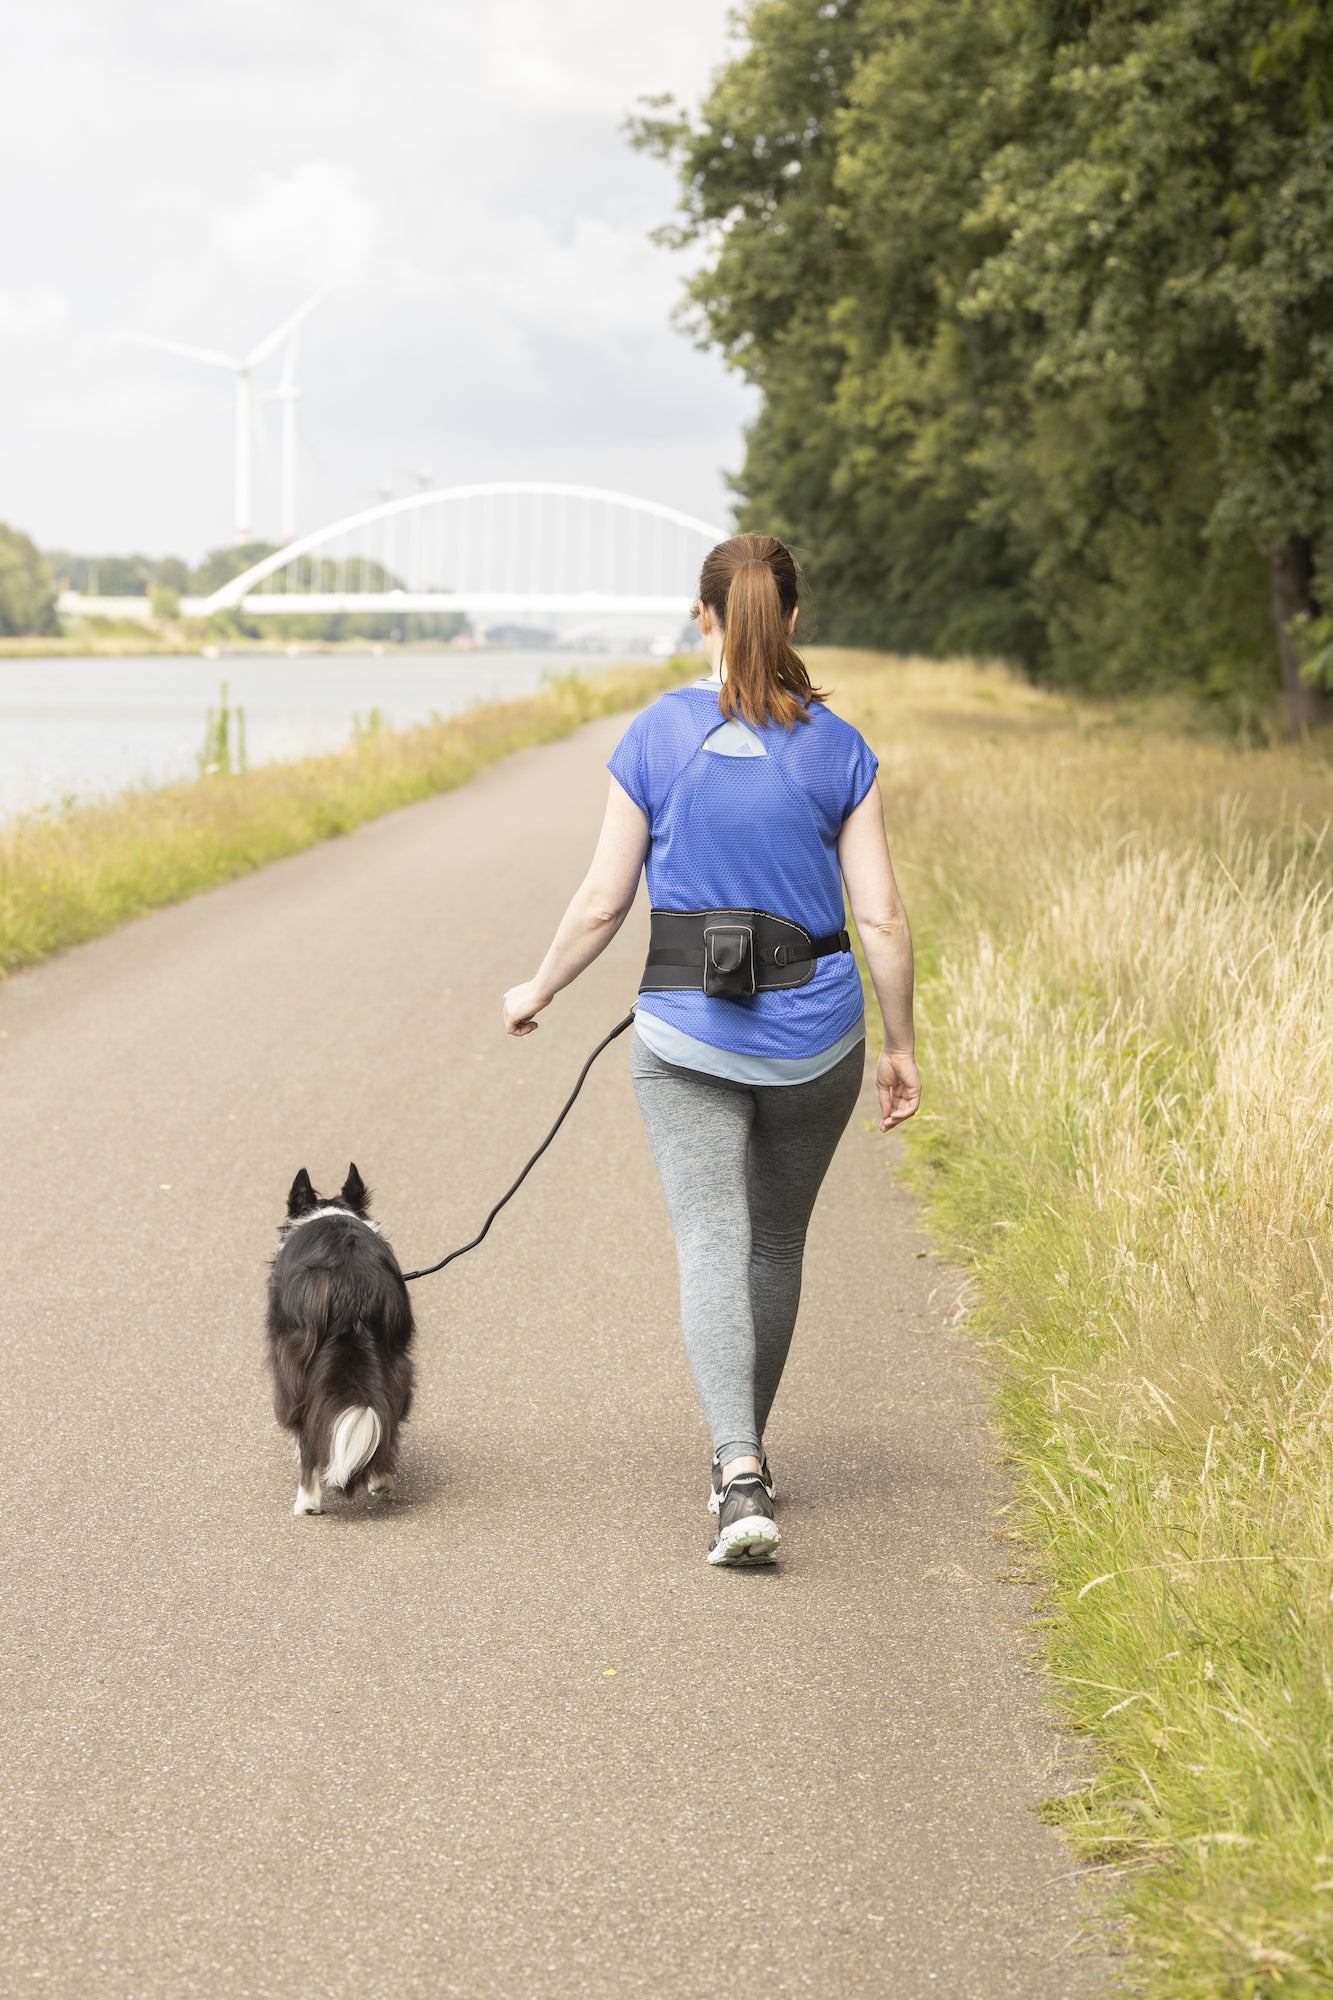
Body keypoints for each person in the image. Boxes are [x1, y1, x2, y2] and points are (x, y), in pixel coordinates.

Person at [502, 533, 920, 1565]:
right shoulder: (841, 747)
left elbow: (604, 900)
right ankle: (748, 1455)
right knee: (772, 1243)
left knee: (708, 1239)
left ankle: (737, 1472)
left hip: (685, 1033)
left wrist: (540, 985)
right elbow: (882, 921)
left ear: (703, 617)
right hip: (815, 1035)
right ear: (791, 619)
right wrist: (899, 1043)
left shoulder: (655, 735)